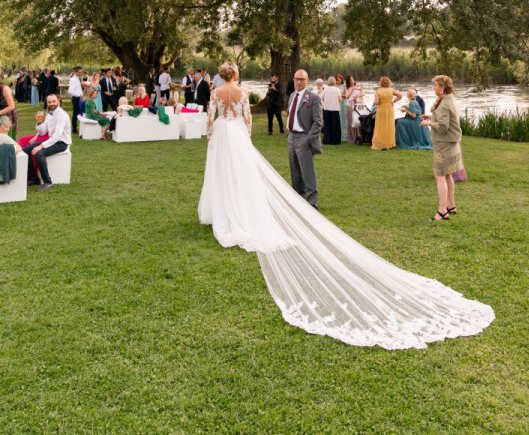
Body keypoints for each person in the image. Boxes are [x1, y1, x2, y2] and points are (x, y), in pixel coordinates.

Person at [197, 61, 493, 349]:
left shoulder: (217, 94)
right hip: (236, 135)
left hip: (224, 135)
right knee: (242, 176)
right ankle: (241, 210)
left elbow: (211, 118)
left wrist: (215, 135)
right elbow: (247, 119)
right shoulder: (240, 93)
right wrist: (244, 137)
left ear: (221, 76)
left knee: (224, 174)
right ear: (235, 75)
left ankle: (227, 211)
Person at [421, 75, 462, 220]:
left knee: (439, 176)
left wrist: (429, 124)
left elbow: (443, 127)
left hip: (444, 144)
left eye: (435, 85)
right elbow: (444, 118)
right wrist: (431, 117)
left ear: (442, 88)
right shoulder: (447, 99)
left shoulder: (445, 103)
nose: (433, 88)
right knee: (448, 174)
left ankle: (442, 210)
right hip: (450, 143)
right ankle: (451, 206)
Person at [286, 69, 323, 207]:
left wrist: (308, 139)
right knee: (295, 172)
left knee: (307, 172)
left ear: (307, 80)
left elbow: (318, 122)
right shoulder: (292, 96)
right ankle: (299, 202)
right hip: (291, 137)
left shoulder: (313, 98)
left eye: (302, 79)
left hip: (304, 137)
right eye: (297, 79)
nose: (299, 81)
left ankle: (312, 203)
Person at [23, 93, 71, 191]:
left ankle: (47, 182)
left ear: (58, 101)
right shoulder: (50, 113)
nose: (52, 103)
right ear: (47, 103)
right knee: (25, 150)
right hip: (51, 140)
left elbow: (57, 136)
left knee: (39, 153)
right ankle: (33, 178)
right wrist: (39, 122)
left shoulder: (62, 115)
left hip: (61, 143)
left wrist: (41, 146)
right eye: (49, 102)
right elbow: (43, 131)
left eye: (54, 101)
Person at [371, 77, 402, 151]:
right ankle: (390, 144)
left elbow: (376, 102)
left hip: (381, 110)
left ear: (381, 83)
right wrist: (393, 101)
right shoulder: (391, 90)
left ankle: (381, 144)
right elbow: (400, 95)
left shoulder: (378, 91)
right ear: (389, 82)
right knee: (389, 125)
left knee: (381, 126)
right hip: (389, 109)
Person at [322, 76, 342, 145]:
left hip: (327, 109)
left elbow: (322, 98)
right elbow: (340, 100)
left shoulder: (325, 89)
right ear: (334, 82)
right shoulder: (337, 89)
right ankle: (335, 140)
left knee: (327, 125)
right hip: (335, 109)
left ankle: (327, 139)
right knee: (335, 125)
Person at [345, 75, 363, 144]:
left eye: (352, 78)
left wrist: (359, 95)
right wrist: (352, 89)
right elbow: (347, 96)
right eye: (350, 79)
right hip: (350, 104)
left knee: (358, 121)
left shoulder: (357, 86)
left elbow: (362, 94)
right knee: (351, 121)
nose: (352, 80)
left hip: (358, 104)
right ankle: (352, 137)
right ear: (348, 81)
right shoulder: (347, 88)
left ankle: (360, 136)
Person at [67, 66, 83, 135]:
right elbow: (70, 91)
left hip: (80, 98)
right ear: (75, 72)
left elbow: (77, 89)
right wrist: (78, 95)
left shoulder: (78, 79)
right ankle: (74, 129)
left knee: (81, 113)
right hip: (76, 98)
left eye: (81, 72)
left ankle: (80, 128)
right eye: (79, 72)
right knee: (75, 114)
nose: (80, 73)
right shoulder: (73, 79)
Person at [335, 73, 348, 142]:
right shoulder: (334, 86)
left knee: (343, 120)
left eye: (339, 80)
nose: (337, 81)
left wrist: (340, 95)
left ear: (341, 80)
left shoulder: (344, 86)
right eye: (336, 80)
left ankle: (344, 136)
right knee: (337, 120)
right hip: (335, 105)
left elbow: (346, 96)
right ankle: (337, 135)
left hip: (343, 104)